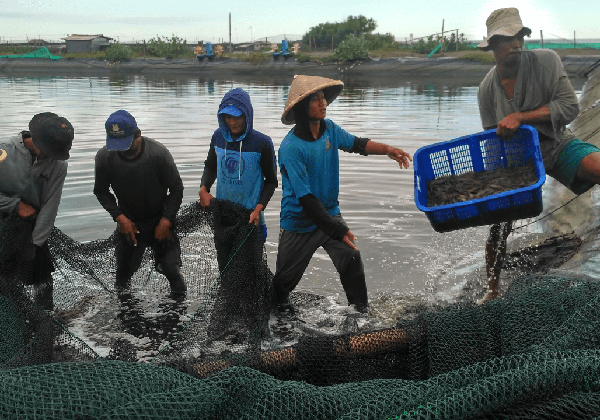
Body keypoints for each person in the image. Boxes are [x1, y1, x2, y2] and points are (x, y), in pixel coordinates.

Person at [476, 8, 600, 304]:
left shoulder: (546, 61)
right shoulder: (485, 90)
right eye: (507, 39)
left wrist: (521, 116)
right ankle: (492, 290)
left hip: (557, 144)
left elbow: (569, 108)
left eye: (520, 36)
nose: (516, 44)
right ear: (492, 45)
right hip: (519, 165)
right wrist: (496, 184)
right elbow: (492, 141)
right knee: (499, 227)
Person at [272, 75, 412, 313]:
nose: (323, 103)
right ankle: (273, 321)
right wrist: (337, 229)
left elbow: (357, 144)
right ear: (301, 107)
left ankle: (361, 314)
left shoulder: (330, 130)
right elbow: (305, 199)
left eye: (323, 97)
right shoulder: (291, 148)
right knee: (283, 285)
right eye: (315, 99)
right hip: (298, 223)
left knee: (351, 258)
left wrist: (387, 149)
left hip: (329, 213)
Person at [94, 110, 187, 295]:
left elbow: (176, 188)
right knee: (122, 277)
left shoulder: (158, 154)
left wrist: (167, 220)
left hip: (159, 219)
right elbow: (101, 191)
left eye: (126, 144)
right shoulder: (104, 157)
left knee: (171, 270)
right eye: (116, 144)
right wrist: (120, 217)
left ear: (138, 134)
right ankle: (127, 317)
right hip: (130, 224)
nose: (121, 150)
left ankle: (179, 312)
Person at [0, 112, 74, 310]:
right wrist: (14, 204)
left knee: (43, 280)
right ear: (37, 140)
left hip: (32, 224)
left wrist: (36, 243)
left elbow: (51, 205)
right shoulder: (3, 151)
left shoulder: (58, 164)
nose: (53, 158)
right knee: (5, 280)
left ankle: (44, 320)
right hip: (3, 221)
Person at [199, 88, 278, 272]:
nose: (232, 122)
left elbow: (271, 181)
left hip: (251, 219)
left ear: (247, 115)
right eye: (227, 117)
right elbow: (210, 166)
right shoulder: (217, 137)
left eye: (237, 117)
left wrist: (259, 208)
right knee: (226, 271)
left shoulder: (262, 143)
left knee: (250, 273)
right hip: (223, 217)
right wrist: (204, 188)